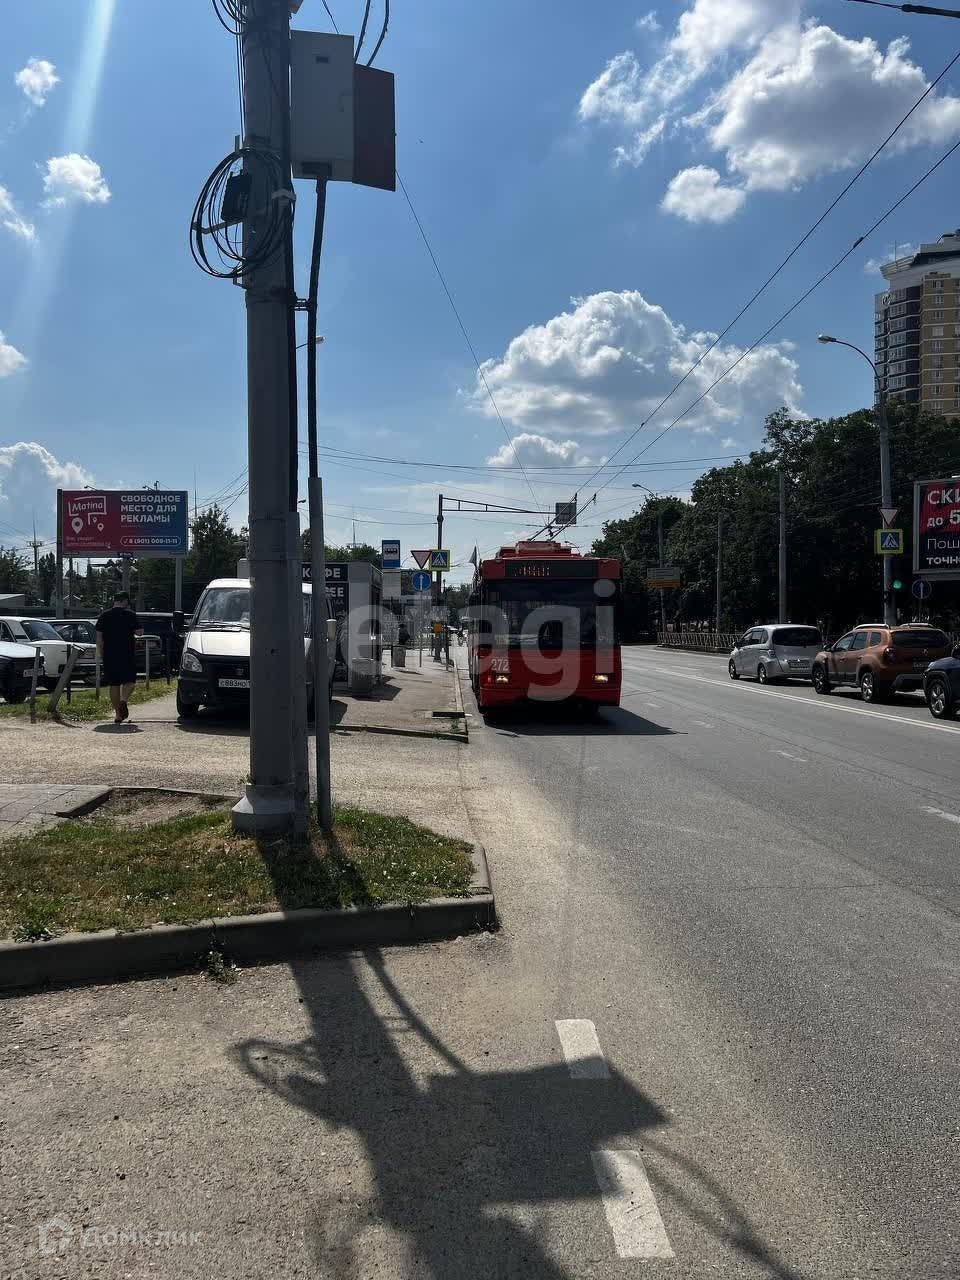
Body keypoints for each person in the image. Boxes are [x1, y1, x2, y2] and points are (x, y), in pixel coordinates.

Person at [95, 591, 143, 724]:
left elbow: (99, 638)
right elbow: (139, 632)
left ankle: (117, 714)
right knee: (130, 681)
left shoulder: (104, 616)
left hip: (110, 654)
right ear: (124, 601)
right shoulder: (130, 614)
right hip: (127, 653)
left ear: (115, 600)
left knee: (114, 684)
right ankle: (124, 701)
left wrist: (101, 653)